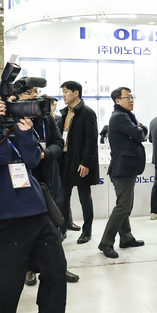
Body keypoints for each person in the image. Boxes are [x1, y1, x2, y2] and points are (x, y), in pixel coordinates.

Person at [0, 89, 68, 313]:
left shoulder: (5, 126)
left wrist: (23, 131)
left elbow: (30, 160)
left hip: (36, 209)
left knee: (55, 268)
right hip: (4, 214)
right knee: (7, 279)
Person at [23, 89, 80, 285]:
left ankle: (58, 267)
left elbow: (58, 142)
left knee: (53, 226)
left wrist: (44, 154)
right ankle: (29, 268)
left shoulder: (46, 117)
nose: (33, 96)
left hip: (48, 174)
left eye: (35, 92)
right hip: (25, 176)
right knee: (28, 227)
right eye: (28, 93)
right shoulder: (14, 117)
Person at [98, 87, 147, 258]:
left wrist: (139, 129)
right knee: (123, 207)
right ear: (117, 100)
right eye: (127, 97)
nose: (131, 100)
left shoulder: (126, 116)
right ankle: (106, 242)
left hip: (127, 168)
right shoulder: (119, 117)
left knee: (126, 205)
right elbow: (139, 134)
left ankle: (126, 238)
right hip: (122, 169)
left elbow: (141, 132)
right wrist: (139, 129)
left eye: (132, 97)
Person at [58, 81, 100, 243]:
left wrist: (86, 163)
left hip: (80, 161)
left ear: (76, 93)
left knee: (84, 197)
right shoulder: (64, 112)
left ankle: (87, 231)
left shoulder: (87, 113)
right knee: (63, 197)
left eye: (66, 92)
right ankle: (63, 228)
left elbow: (91, 140)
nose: (63, 95)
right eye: (63, 92)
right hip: (64, 160)